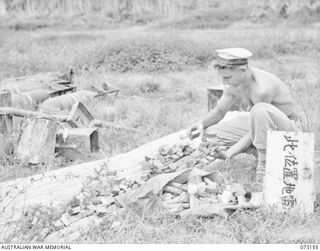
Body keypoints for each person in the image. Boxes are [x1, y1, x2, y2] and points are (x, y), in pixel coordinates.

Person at [187, 48, 301, 191]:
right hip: (261, 125)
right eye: (222, 77)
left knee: (259, 111)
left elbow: (258, 123)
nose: (224, 81)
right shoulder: (233, 84)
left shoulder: (262, 88)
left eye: (227, 77)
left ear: (242, 70)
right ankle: (255, 148)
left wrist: (230, 153)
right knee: (211, 133)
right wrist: (201, 124)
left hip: (287, 129)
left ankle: (263, 167)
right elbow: (219, 112)